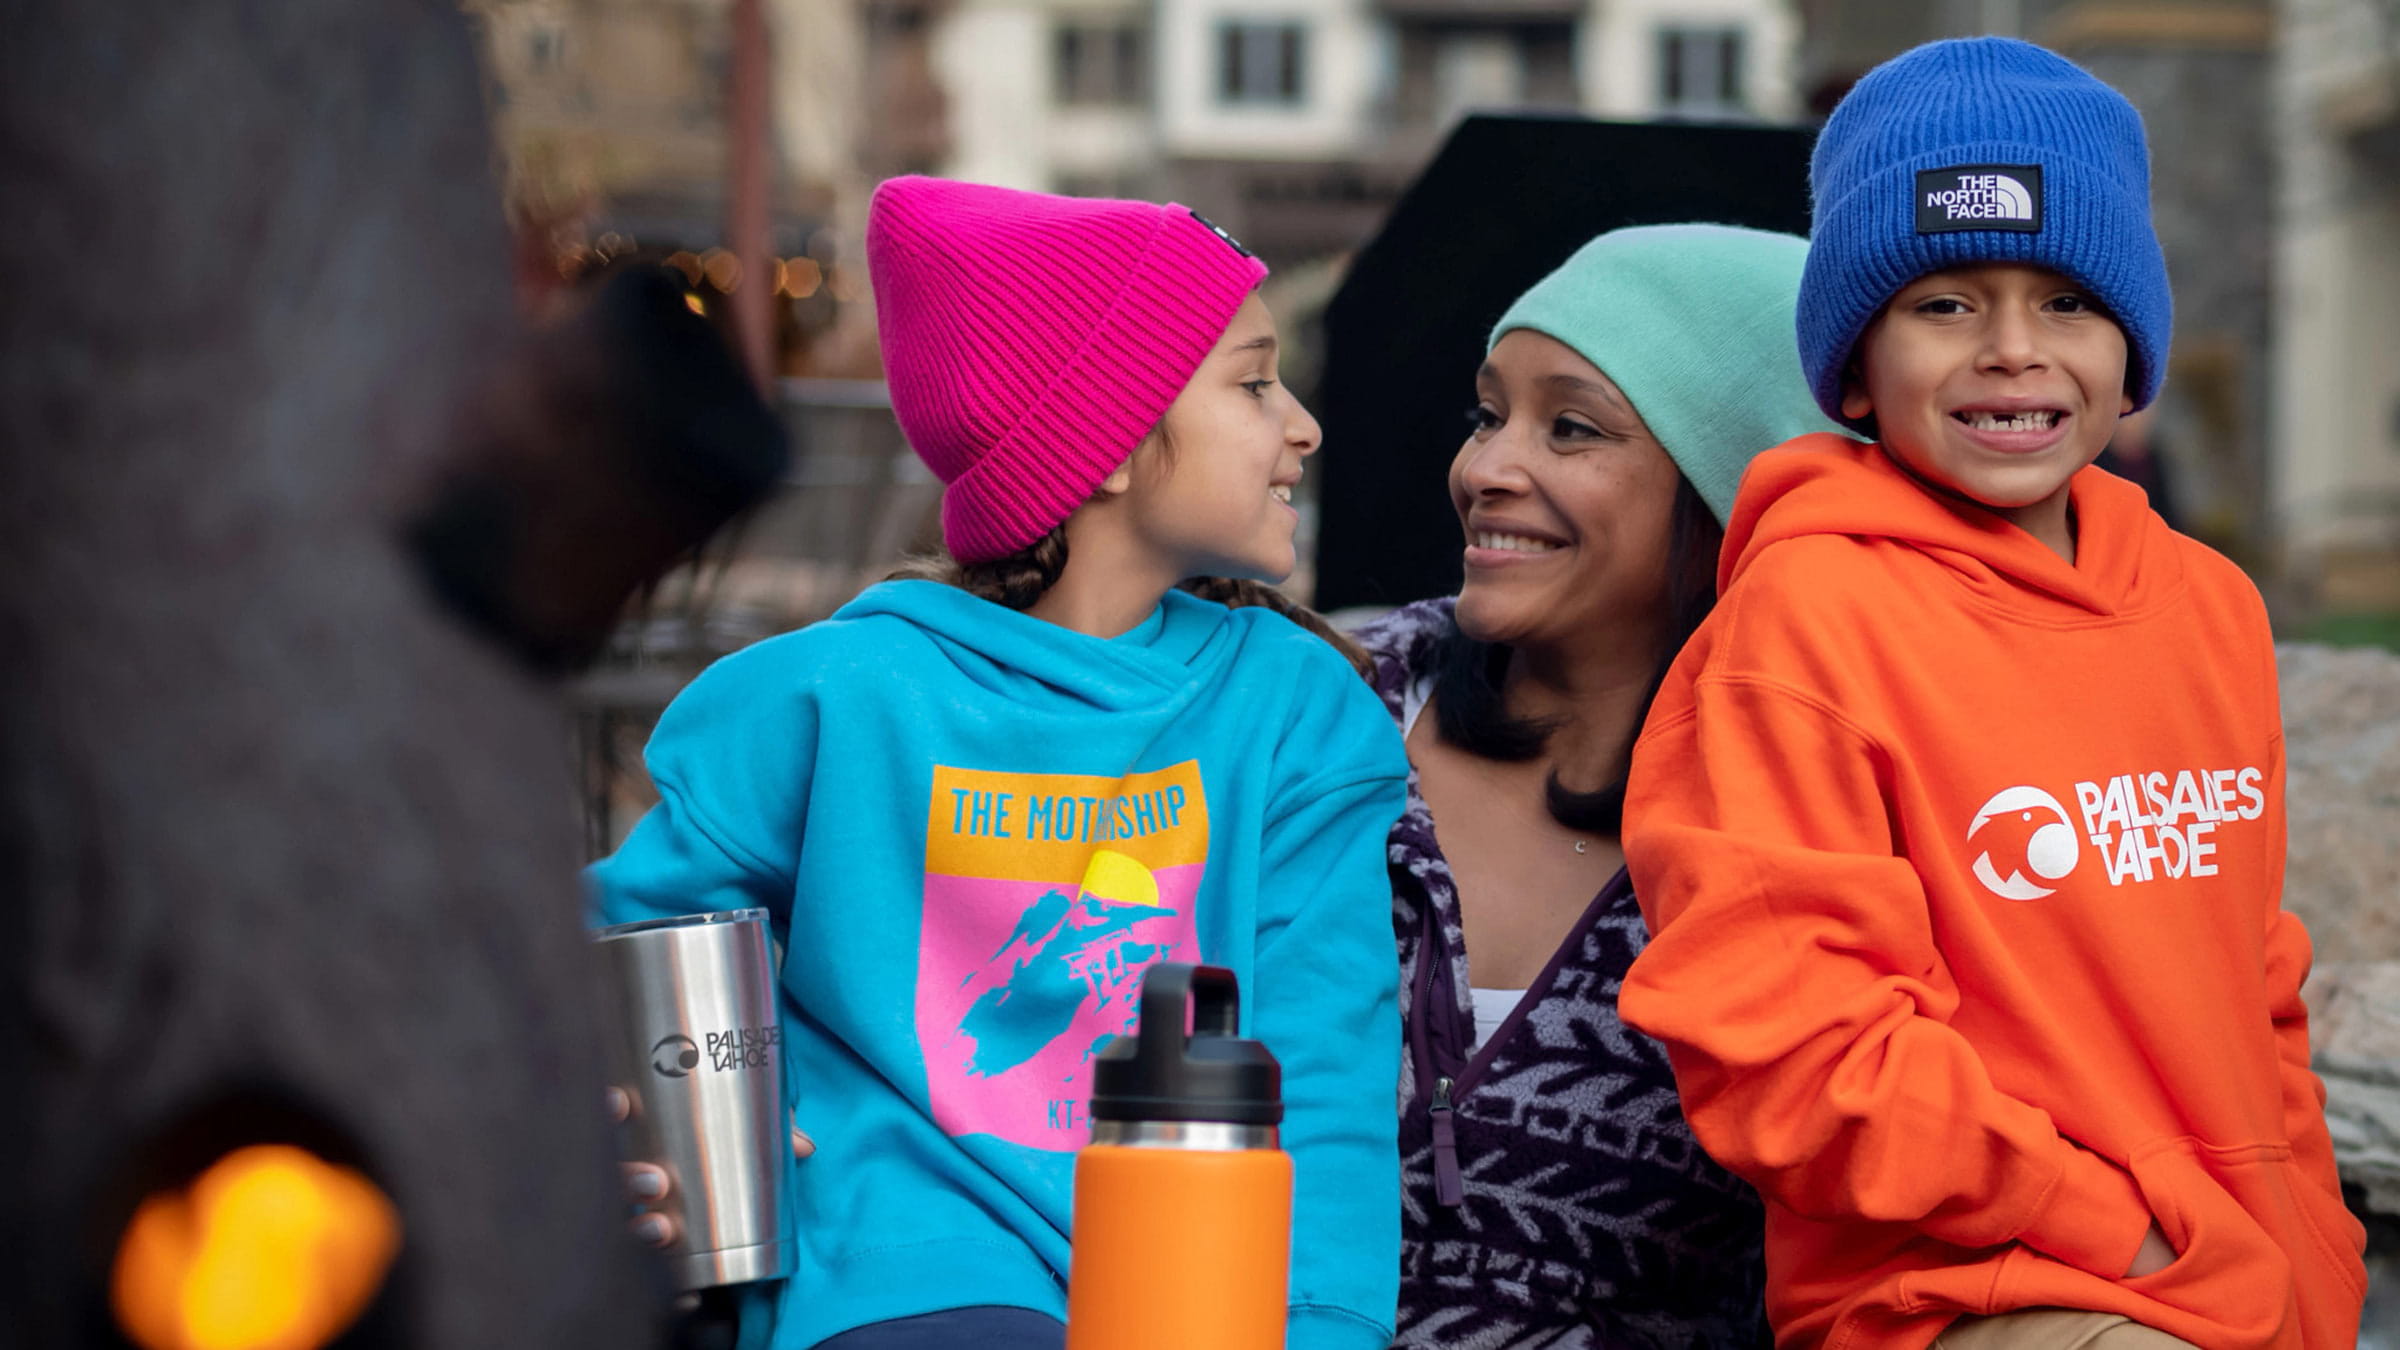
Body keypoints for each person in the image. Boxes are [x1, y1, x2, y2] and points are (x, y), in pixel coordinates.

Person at [1618, 38, 2367, 1350]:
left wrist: (2313, 1243)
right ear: (1856, 360)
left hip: (2243, 1281)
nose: (2013, 352)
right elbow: (1788, 1045)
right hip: (1975, 1294)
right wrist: (2110, 1226)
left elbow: (2256, 984)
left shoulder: (2212, 606)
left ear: (2131, 346)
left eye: (2067, 302)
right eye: (1947, 305)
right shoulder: (1802, 621)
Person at [588, 176, 1407, 1350]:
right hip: (900, 1271)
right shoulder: (830, 697)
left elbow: (1324, 1056)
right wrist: (631, 1129)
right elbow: (624, 960)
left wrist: (1322, 1324)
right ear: (1113, 446)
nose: (1302, 424)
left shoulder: (1298, 709)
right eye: (1252, 380)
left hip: (1201, 1271)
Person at [1349, 224, 1842, 1347]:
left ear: (1734, 488)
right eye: (1489, 414)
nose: (1484, 470)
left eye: (1570, 427)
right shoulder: (1329, 716)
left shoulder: (1819, 823)